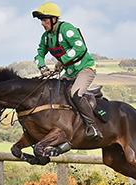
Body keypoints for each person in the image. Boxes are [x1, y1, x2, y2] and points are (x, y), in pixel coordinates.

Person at [32, 2, 102, 140]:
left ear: (54, 19)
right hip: (70, 72)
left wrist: (61, 61)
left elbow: (80, 48)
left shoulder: (66, 29)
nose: (42, 24)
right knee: (53, 92)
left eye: (45, 20)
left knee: (75, 94)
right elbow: (39, 54)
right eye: (41, 21)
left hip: (85, 69)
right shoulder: (46, 37)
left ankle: (92, 127)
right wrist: (42, 67)